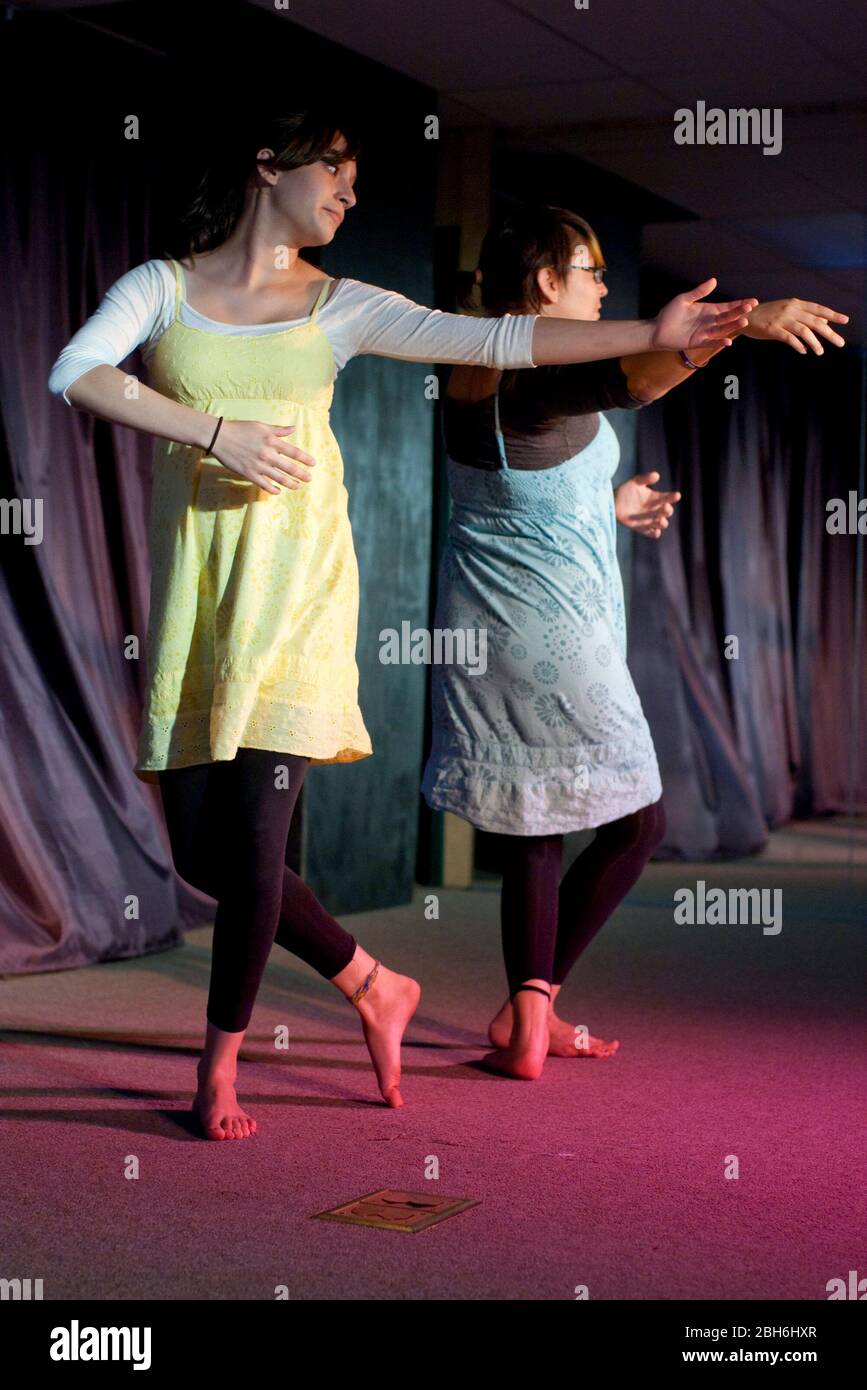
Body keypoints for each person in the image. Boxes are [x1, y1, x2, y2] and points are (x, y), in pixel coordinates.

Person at [47, 110, 757, 1139]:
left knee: (250, 848)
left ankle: (218, 1076)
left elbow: (498, 338)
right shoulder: (161, 287)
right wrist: (216, 431)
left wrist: (649, 336)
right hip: (198, 606)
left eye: (354, 176)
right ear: (267, 162)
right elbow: (78, 373)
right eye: (334, 169)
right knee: (204, 851)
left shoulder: (339, 305)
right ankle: (372, 978)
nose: (347, 192)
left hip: (300, 602)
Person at [421, 203, 848, 1080]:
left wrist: (608, 505)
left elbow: (513, 488)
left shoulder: (470, 365)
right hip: (552, 634)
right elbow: (642, 379)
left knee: (538, 822)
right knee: (640, 819)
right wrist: (745, 322)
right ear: (545, 282)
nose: (606, 285)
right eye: (591, 270)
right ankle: (531, 1008)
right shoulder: (530, 366)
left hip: (484, 628)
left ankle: (524, 1018)